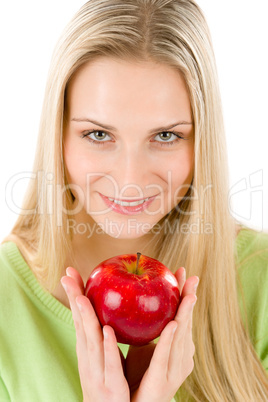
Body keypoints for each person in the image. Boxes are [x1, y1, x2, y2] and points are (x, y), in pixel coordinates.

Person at [0, 0, 267, 401]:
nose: (129, 181)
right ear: (58, 136)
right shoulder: (6, 300)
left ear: (202, 141)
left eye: (165, 136)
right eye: (98, 135)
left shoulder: (260, 280)